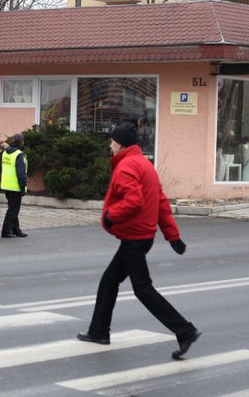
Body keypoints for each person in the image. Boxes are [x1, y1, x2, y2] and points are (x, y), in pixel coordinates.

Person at [78, 121, 201, 360]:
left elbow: (133, 201)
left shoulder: (126, 166)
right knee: (109, 281)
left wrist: (112, 216)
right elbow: (161, 202)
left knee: (143, 289)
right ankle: (99, 331)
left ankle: (185, 330)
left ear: (121, 144)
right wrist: (172, 235)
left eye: (112, 140)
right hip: (141, 236)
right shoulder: (145, 164)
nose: (110, 144)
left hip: (135, 237)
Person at [0, 133, 28, 238]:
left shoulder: (5, 153)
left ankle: (16, 230)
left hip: (6, 185)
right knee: (13, 210)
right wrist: (23, 187)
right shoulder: (19, 154)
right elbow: (21, 173)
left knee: (13, 208)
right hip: (15, 186)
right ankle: (6, 231)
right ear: (22, 142)